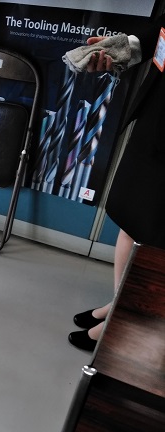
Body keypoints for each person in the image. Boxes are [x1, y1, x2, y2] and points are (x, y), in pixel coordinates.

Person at [68, 16, 165, 351]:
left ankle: (127, 322)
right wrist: (125, 48)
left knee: (156, 238)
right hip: (156, 116)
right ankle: (121, 305)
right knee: (131, 218)